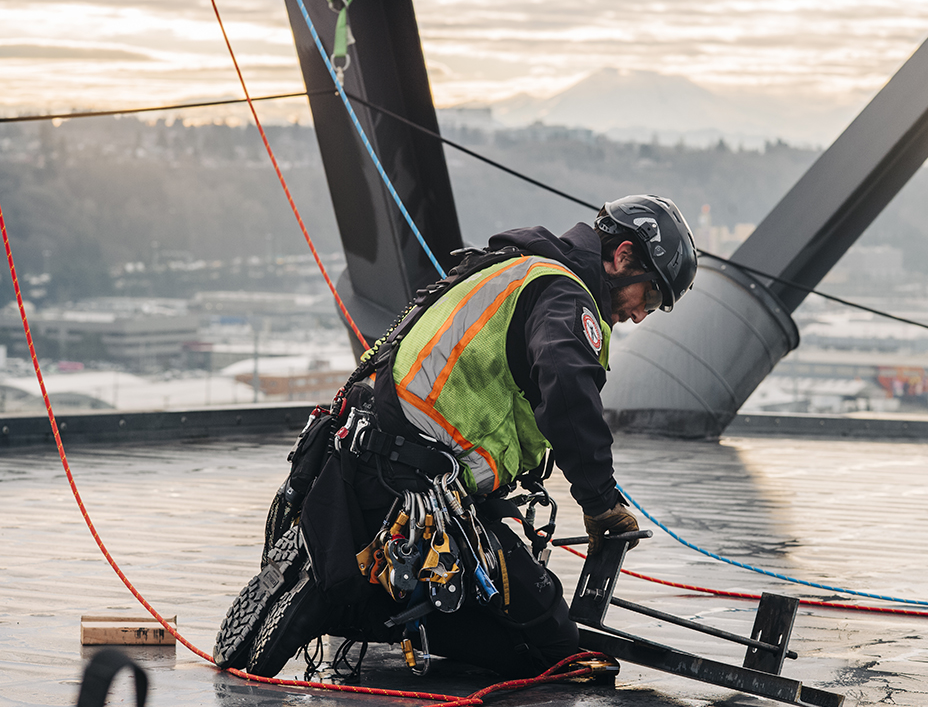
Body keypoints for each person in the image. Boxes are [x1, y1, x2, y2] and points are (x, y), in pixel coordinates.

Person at [213, 194, 698, 680]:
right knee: (548, 643)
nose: (639, 315)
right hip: (410, 485)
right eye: (650, 297)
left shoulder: (517, 266)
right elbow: (568, 389)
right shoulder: (567, 296)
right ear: (624, 256)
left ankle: (335, 577)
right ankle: (342, 604)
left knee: (519, 600)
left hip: (371, 464)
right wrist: (599, 502)